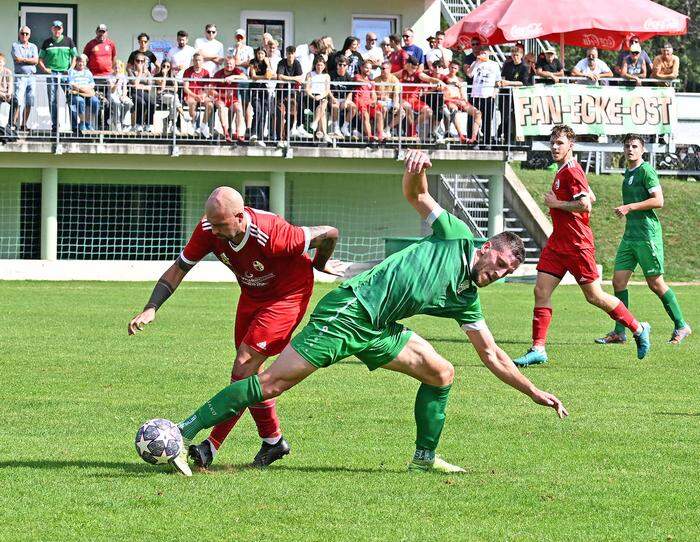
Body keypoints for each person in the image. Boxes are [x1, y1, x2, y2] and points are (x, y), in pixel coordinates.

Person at [167, 149, 569, 477]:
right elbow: (417, 196)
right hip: (349, 311)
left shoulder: (467, 298)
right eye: (497, 262)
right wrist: (417, 168)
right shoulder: (456, 236)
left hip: (379, 328)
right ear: (485, 248)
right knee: (270, 384)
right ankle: (181, 432)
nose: (496, 273)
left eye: (506, 272)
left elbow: (493, 355)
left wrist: (534, 392)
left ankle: (423, 460)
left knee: (441, 373)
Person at [129, 187, 342, 473]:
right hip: (252, 295)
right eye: (210, 223)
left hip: (287, 297)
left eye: (220, 224)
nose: (213, 230)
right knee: (248, 374)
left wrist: (319, 264)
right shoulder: (208, 228)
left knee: (243, 365)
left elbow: (330, 233)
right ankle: (273, 441)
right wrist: (152, 306)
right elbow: (179, 268)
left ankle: (210, 445)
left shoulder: (275, 233)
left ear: (240, 217)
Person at [513, 125, 651, 367]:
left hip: (578, 244)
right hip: (558, 243)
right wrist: (571, 199)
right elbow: (589, 196)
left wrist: (557, 203)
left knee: (595, 296)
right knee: (541, 291)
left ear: (571, 145)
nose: (555, 147)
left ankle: (639, 328)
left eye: (560, 143)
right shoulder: (564, 170)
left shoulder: (572, 171)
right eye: (552, 143)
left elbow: (585, 205)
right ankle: (538, 348)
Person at [595, 134, 691, 346]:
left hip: (647, 235)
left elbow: (659, 200)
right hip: (630, 236)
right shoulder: (627, 173)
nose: (630, 149)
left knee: (655, 284)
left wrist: (630, 207)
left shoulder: (646, 170)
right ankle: (620, 332)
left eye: (635, 146)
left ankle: (681, 325)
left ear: (643, 150)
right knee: (618, 281)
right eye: (627, 146)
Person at [38, 20, 78, 133]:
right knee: (52, 100)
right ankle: (55, 125)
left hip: (65, 73)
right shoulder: (47, 42)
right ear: (52, 29)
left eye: (59, 28)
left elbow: (75, 56)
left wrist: (70, 69)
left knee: (71, 98)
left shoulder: (69, 41)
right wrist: (45, 69)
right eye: (55, 28)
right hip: (52, 74)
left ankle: (75, 126)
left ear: (62, 29)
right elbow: (39, 59)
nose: (57, 30)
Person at [399, 56, 443, 140]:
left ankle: (412, 127)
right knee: (408, 107)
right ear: (407, 65)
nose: (414, 70)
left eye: (416, 68)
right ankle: (411, 131)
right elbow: (391, 76)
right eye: (412, 67)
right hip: (403, 98)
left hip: (414, 99)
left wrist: (438, 81)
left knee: (429, 112)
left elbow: (429, 78)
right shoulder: (403, 72)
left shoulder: (418, 74)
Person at [83, 23, 117, 126]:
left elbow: (114, 58)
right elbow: (85, 58)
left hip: (107, 77)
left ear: (106, 33)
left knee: (108, 101)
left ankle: (105, 124)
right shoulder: (90, 44)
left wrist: (112, 71)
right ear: (96, 32)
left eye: (103, 32)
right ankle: (96, 124)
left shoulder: (111, 44)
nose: (101, 34)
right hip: (94, 78)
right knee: (96, 101)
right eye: (99, 31)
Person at [441, 61, 480, 144]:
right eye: (452, 67)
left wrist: (464, 101)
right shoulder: (444, 78)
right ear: (449, 67)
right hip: (449, 100)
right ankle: (461, 136)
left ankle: (473, 137)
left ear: (458, 70)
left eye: (455, 68)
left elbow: (463, 94)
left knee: (478, 113)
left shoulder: (460, 80)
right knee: (454, 110)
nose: (453, 69)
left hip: (460, 100)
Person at [468, 49, 501, 143]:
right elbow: (470, 74)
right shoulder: (475, 62)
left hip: (488, 95)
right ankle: (474, 140)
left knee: (487, 119)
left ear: (489, 54)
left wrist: (495, 92)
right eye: (481, 52)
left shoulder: (494, 64)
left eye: (485, 53)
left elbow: (498, 80)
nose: (483, 54)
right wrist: (476, 62)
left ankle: (486, 141)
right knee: (475, 119)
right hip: (476, 95)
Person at [212, 56, 247, 142]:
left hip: (232, 99)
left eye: (231, 64)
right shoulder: (218, 74)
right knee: (222, 108)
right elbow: (211, 90)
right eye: (227, 63)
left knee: (239, 109)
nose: (229, 65)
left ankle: (239, 133)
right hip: (220, 98)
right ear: (224, 64)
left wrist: (233, 77)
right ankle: (226, 132)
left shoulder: (236, 71)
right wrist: (224, 95)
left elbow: (245, 77)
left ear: (234, 64)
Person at [11, 26, 38, 131]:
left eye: (26, 34)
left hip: (31, 77)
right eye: (22, 33)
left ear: (29, 35)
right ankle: (13, 125)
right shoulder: (15, 45)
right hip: (20, 76)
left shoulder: (33, 46)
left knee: (29, 101)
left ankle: (24, 124)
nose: (24, 35)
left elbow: (36, 61)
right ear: (19, 34)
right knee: (18, 100)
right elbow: (17, 59)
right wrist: (29, 60)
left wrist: (24, 59)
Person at [275, 45, 305, 141]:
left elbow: (300, 78)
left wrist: (289, 79)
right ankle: (280, 138)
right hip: (281, 92)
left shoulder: (297, 63)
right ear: (286, 54)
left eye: (292, 53)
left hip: (292, 93)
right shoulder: (282, 62)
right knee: (280, 114)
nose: (290, 55)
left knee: (292, 114)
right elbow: (280, 76)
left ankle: (286, 136)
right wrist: (294, 79)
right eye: (288, 53)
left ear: (295, 54)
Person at [66, 54, 100, 133]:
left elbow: (92, 83)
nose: (82, 64)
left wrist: (87, 89)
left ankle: (88, 123)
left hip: (87, 92)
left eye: (84, 62)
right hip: (77, 93)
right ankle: (82, 122)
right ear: (77, 62)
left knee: (95, 102)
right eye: (80, 61)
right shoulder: (72, 71)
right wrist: (82, 89)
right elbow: (71, 83)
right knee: (80, 101)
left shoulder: (88, 72)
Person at [183, 53, 213, 138]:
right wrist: (195, 96)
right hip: (191, 95)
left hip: (202, 95)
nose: (197, 62)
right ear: (193, 61)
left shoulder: (206, 72)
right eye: (196, 60)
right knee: (192, 103)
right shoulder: (187, 71)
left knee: (210, 104)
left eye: (199, 60)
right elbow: (186, 88)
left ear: (202, 61)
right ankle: (194, 123)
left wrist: (203, 95)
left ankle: (203, 126)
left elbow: (207, 88)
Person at [353, 60, 384, 142]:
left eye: (370, 68)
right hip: (360, 102)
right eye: (366, 67)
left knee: (379, 114)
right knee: (365, 115)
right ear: (361, 68)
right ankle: (370, 136)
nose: (368, 70)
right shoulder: (357, 76)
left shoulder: (371, 80)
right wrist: (368, 83)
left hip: (369, 103)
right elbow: (358, 81)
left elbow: (373, 94)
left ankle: (380, 135)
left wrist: (374, 101)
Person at [304, 56, 333, 143]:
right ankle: (325, 134)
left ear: (324, 66)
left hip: (322, 96)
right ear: (315, 65)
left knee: (323, 105)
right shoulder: (310, 74)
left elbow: (327, 90)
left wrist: (321, 96)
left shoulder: (326, 76)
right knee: (322, 112)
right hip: (311, 97)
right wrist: (313, 96)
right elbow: (307, 88)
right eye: (318, 65)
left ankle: (315, 123)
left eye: (321, 65)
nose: (319, 67)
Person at [249, 47, 272, 146]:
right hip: (255, 90)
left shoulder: (267, 63)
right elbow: (253, 76)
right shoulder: (253, 62)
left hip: (264, 90)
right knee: (257, 111)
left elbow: (270, 75)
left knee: (263, 113)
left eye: (262, 53)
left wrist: (268, 64)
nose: (260, 55)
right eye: (259, 53)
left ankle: (261, 137)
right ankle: (253, 134)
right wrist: (264, 77)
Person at [329, 57, 357, 138]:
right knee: (335, 106)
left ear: (347, 66)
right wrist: (333, 99)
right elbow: (327, 90)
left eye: (344, 65)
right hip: (333, 98)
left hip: (344, 99)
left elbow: (350, 92)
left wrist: (346, 101)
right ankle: (336, 128)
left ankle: (345, 127)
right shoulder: (331, 75)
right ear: (337, 65)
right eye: (340, 64)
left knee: (354, 108)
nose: (342, 66)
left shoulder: (348, 77)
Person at [374, 60, 403, 137]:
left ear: (389, 69)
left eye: (384, 68)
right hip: (379, 101)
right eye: (381, 68)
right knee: (383, 108)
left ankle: (387, 129)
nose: (382, 70)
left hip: (391, 101)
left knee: (402, 113)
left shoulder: (394, 79)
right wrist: (381, 97)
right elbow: (373, 94)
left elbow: (396, 94)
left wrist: (396, 104)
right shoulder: (376, 79)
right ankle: (380, 130)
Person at [154, 60, 182, 135]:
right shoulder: (157, 76)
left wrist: (168, 88)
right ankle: (176, 122)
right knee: (176, 101)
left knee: (174, 101)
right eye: (164, 66)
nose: (165, 68)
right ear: (161, 66)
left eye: (168, 66)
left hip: (172, 96)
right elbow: (162, 88)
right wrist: (164, 76)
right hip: (162, 97)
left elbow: (175, 89)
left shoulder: (173, 76)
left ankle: (168, 120)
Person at [130, 53, 156, 133]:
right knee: (141, 103)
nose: (140, 63)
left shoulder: (147, 72)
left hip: (145, 93)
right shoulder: (131, 72)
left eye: (142, 61)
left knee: (152, 103)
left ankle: (149, 124)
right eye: (138, 61)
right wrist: (140, 72)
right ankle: (139, 124)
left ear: (144, 62)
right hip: (135, 93)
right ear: (134, 61)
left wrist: (140, 86)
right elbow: (134, 86)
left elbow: (149, 87)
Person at [108, 60, 133, 131]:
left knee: (129, 103)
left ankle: (123, 121)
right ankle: (118, 122)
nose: (117, 70)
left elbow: (125, 88)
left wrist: (123, 96)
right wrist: (117, 81)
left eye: (119, 68)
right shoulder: (110, 76)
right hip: (113, 94)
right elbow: (112, 90)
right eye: (115, 68)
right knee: (117, 103)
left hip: (121, 94)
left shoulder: (123, 76)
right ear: (113, 68)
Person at [0, 54, 18, 131]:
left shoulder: (7, 71)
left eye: (0, 62)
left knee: (15, 102)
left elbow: (10, 84)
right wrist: (2, 94)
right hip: (0, 94)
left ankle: (11, 124)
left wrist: (9, 94)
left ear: (4, 63)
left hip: (6, 94)